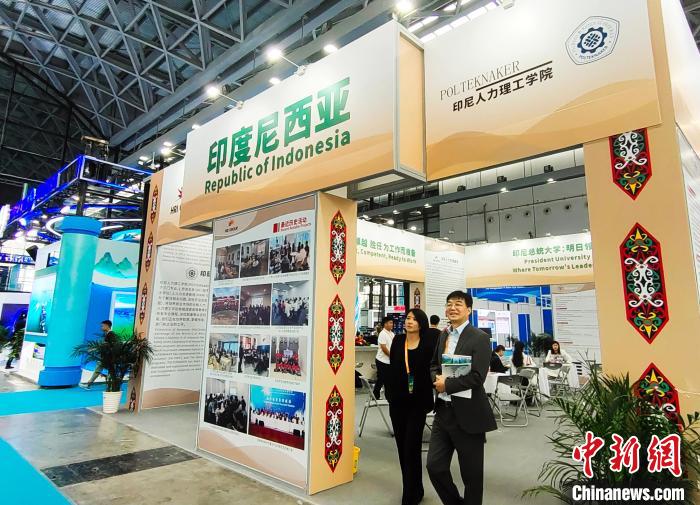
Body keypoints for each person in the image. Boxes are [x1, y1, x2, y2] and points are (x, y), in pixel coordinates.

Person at [427, 291, 496, 505]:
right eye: (449, 304)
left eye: (458, 304)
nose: (452, 308)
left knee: (472, 476)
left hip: (469, 413)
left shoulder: (479, 337)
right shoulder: (443, 335)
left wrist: (447, 384)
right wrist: (436, 379)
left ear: (469, 310)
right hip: (443, 411)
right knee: (434, 466)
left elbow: (478, 376)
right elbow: (434, 365)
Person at [385, 309, 434, 505]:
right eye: (407, 318)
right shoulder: (398, 341)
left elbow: (431, 370)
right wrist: (390, 394)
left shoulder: (427, 343)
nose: (409, 321)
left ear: (421, 323)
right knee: (401, 447)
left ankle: (410, 495)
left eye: (414, 319)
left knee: (411, 447)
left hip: (417, 403)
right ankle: (414, 489)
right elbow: (393, 367)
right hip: (398, 401)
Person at [81, 320, 117, 389]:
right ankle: (89, 384)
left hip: (108, 357)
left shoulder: (111, 334)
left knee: (108, 372)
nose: (101, 328)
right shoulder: (107, 334)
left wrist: (97, 348)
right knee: (99, 370)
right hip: (105, 357)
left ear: (107, 326)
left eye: (102, 326)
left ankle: (114, 387)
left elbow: (110, 345)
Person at [373, 316, 394, 399]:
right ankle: (375, 395)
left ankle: (388, 395)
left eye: (392, 323)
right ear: (385, 324)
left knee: (388, 379)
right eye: (390, 323)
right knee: (381, 378)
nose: (392, 324)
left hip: (388, 361)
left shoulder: (391, 333)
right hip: (381, 360)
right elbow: (384, 348)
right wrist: (392, 356)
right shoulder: (382, 334)